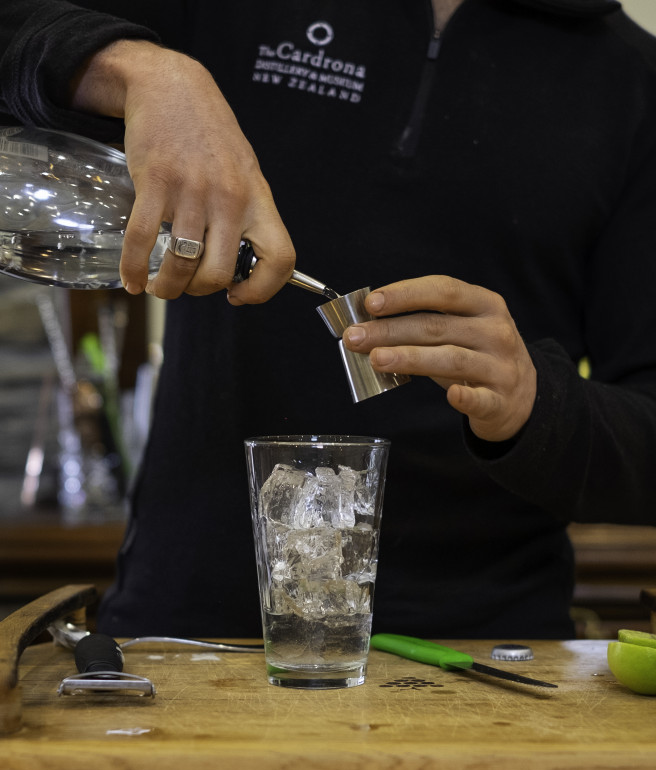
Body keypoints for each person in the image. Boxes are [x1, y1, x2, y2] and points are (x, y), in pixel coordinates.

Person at [1, 0, 655, 639]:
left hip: (489, 650)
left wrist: (538, 406)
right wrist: (137, 68)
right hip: (189, 629)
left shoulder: (634, 82)